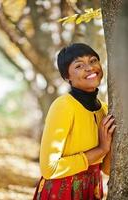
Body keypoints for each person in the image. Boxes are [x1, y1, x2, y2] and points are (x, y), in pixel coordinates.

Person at [33, 43, 116, 200]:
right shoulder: (63, 106)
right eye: (79, 65)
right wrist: (101, 149)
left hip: (92, 189)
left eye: (93, 61)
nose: (89, 68)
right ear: (67, 77)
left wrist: (109, 148)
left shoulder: (106, 109)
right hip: (61, 191)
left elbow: (107, 169)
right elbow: (49, 169)